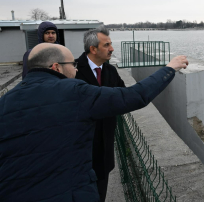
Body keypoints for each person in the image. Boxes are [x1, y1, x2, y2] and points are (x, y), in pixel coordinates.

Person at [0, 43, 188, 202]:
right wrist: (170, 68)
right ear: (56, 67)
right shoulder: (74, 92)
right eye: (72, 64)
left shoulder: (5, 101)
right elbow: (135, 96)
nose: (75, 69)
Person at [74, 26, 123, 201]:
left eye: (111, 44)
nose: (112, 49)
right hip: (79, 152)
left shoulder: (110, 71)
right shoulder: (73, 72)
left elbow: (124, 98)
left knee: (101, 193)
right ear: (93, 49)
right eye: (107, 45)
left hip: (105, 150)